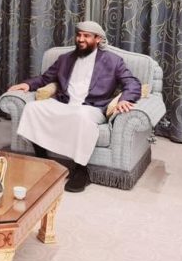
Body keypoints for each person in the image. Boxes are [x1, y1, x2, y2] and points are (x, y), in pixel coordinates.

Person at [8, 21, 141, 193]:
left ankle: (81, 170)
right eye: (78, 35)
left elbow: (132, 82)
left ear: (98, 39)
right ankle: (43, 160)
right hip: (65, 103)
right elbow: (45, 78)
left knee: (80, 117)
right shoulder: (65, 59)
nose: (80, 39)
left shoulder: (113, 61)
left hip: (91, 107)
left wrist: (124, 99)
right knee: (32, 108)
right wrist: (27, 85)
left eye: (86, 36)